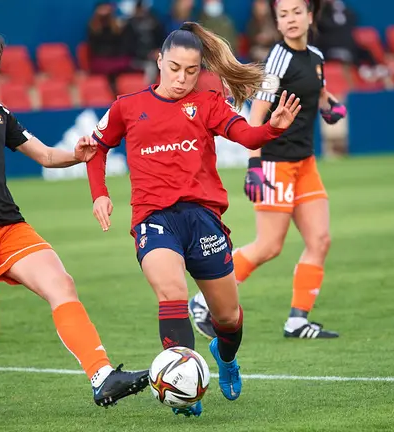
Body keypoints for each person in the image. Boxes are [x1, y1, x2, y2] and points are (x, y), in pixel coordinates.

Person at [0, 25, 149, 422]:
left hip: (7, 225)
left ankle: (101, 375)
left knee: (62, 284)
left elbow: (46, 157)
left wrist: (78, 154)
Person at [84, 22, 301, 417]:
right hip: (154, 218)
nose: (182, 78)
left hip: (203, 218)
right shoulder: (126, 107)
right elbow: (96, 148)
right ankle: (185, 394)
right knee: (172, 294)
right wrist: (100, 193)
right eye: (175, 68)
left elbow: (247, 136)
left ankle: (225, 357)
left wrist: (271, 129)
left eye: (192, 70)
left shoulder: (208, 104)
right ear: (159, 61)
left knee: (228, 317)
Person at [190, 0, 346, 341]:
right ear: (277, 22)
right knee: (268, 246)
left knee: (320, 240)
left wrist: (328, 106)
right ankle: (203, 301)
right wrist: (255, 165)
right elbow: (256, 116)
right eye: (283, 15)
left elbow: (315, 89)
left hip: (305, 163)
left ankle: (297, 321)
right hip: (275, 163)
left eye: (295, 12)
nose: (290, 20)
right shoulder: (278, 59)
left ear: (309, 16)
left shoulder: (316, 57)